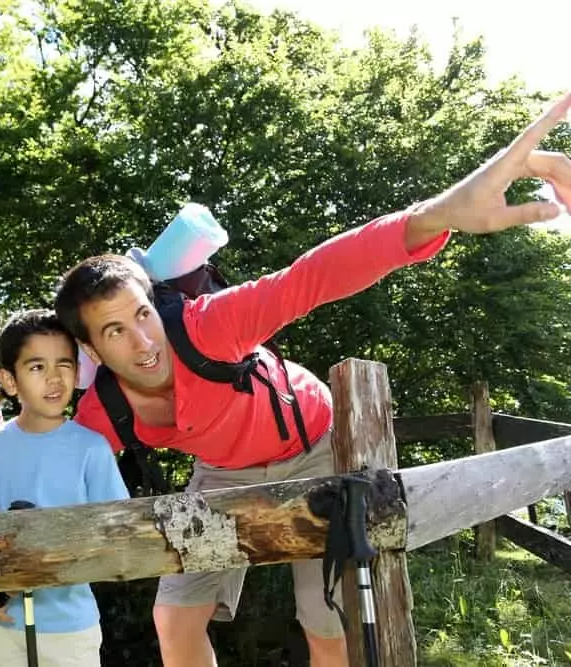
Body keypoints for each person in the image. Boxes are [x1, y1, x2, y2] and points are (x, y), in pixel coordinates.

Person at [54, 93, 571, 667]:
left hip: (316, 448)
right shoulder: (99, 410)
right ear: (89, 347)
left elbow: (311, 278)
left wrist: (439, 213)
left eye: (143, 315)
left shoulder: (206, 326)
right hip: (222, 472)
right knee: (174, 618)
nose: (142, 342)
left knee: (326, 620)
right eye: (114, 331)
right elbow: (43, 466)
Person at [0, 309, 129, 667]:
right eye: (37, 367)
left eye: (64, 365)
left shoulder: (91, 447)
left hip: (70, 625)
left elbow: (118, 534)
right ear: (9, 381)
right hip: (3, 622)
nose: (55, 378)